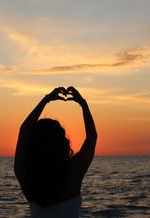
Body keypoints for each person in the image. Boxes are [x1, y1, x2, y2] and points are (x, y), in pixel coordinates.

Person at [14, 86, 97, 218]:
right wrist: (83, 104)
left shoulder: (26, 175)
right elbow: (92, 137)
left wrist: (46, 99)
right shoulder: (73, 170)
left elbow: (24, 130)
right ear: (62, 143)